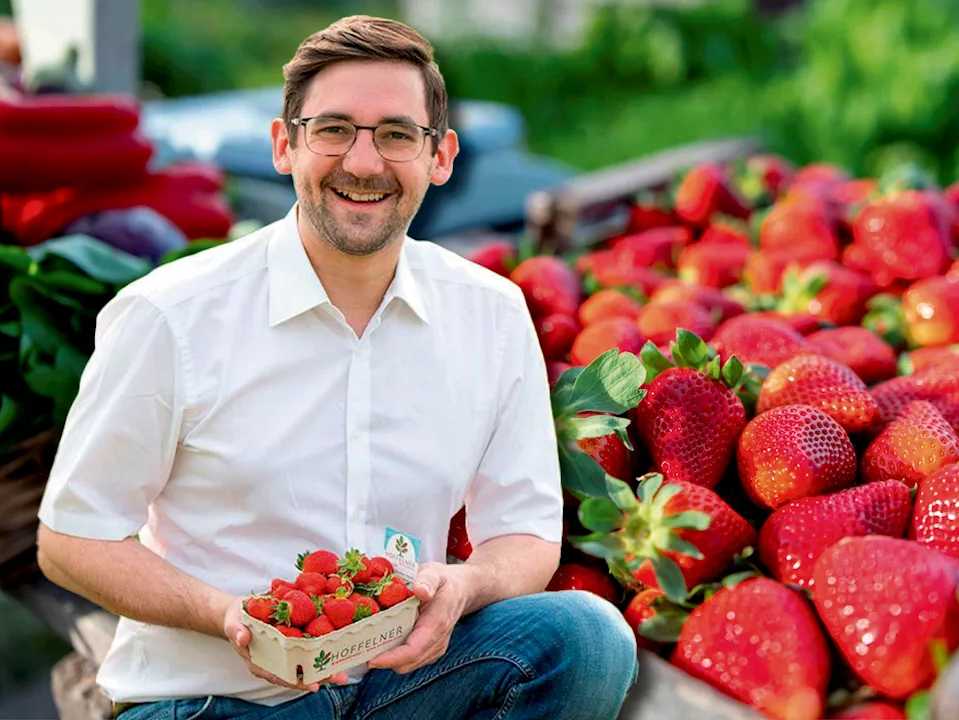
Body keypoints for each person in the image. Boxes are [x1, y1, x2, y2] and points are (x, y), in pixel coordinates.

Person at [35, 14, 639, 720]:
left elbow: (524, 531)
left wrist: (465, 588)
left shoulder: (491, 313)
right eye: (333, 130)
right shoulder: (172, 316)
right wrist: (226, 614)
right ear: (283, 146)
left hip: (398, 684)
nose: (362, 162)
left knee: (587, 639)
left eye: (395, 134)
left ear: (439, 156)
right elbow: (71, 538)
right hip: (215, 701)